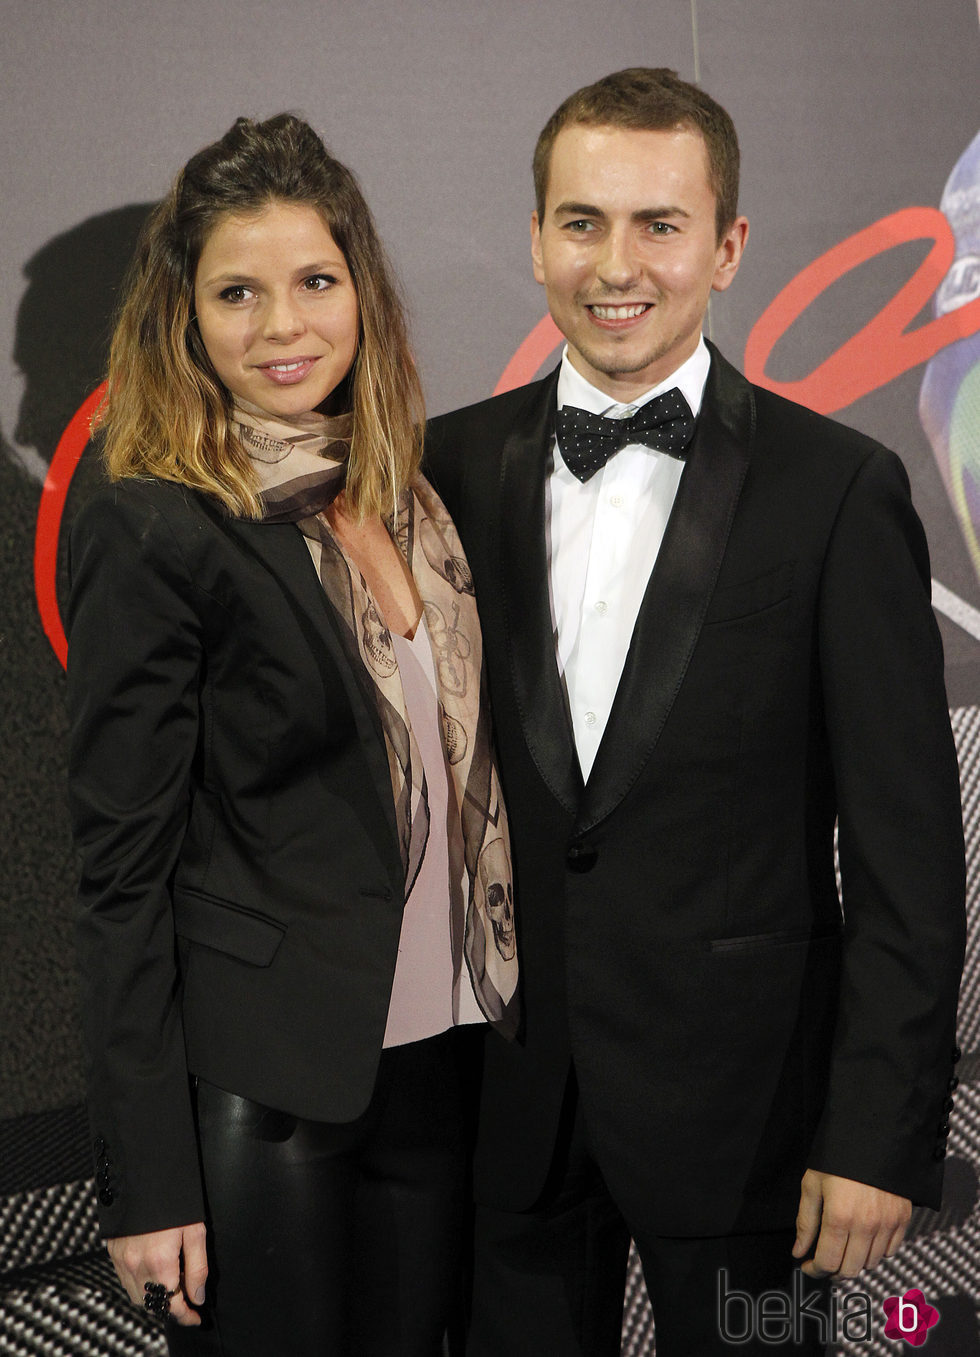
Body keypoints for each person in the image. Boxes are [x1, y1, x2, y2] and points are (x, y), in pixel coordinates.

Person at [425, 68, 966, 1356]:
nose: (616, 264)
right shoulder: (438, 467)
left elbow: (906, 852)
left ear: (725, 246)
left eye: (659, 225)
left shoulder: (836, 490)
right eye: (580, 221)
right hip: (500, 1114)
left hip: (753, 1134)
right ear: (536, 237)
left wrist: (875, 1133)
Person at [66, 113, 518, 1357]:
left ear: (360, 291)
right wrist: (147, 1178)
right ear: (184, 315)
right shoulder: (152, 521)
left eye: (314, 282)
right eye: (238, 293)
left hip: (438, 1063)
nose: (282, 327)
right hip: (264, 1100)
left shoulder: (406, 493)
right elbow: (121, 877)